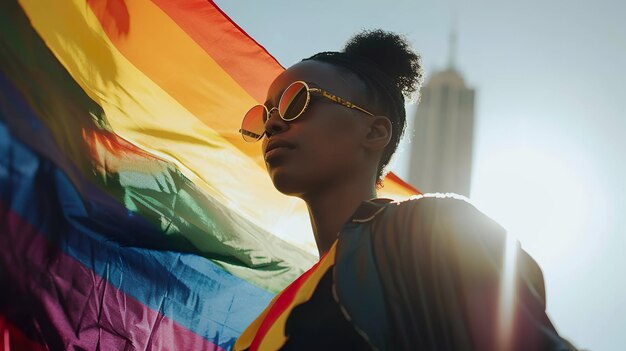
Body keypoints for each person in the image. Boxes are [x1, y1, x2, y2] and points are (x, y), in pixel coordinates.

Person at [235, 30, 576, 351]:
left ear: (374, 132)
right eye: (266, 116)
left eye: (298, 101)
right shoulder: (263, 323)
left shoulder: (435, 228)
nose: (274, 124)